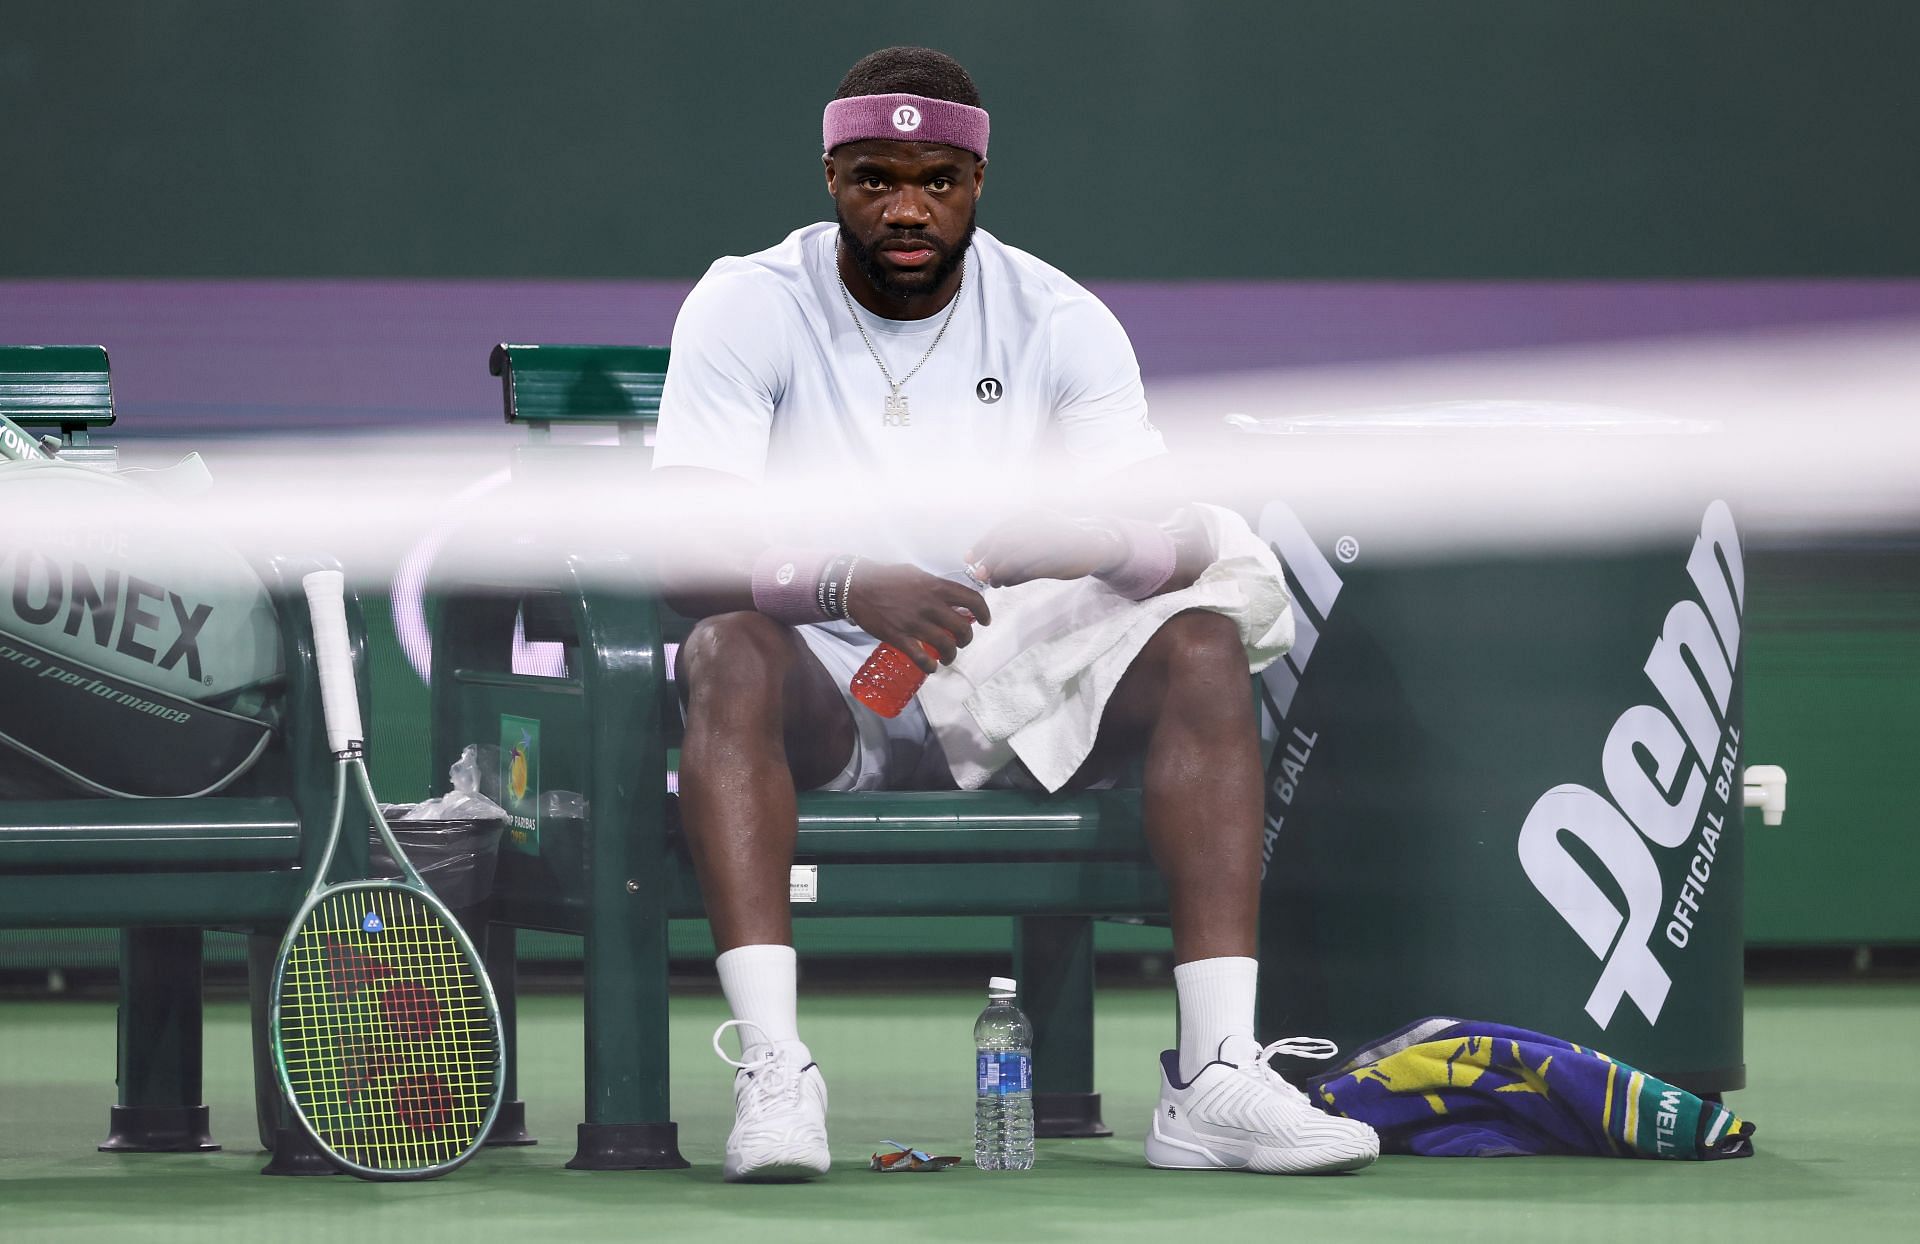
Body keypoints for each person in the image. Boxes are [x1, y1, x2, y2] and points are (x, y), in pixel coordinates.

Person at [651, 45, 1378, 1181]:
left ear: (978, 183)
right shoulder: (748, 304)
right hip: (820, 692)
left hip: (1010, 686)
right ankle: (777, 1071)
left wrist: (1098, 543)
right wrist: (846, 583)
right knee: (726, 648)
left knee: (1201, 642)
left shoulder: (1059, 319)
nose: (905, 206)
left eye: (936, 180)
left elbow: (1185, 538)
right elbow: (679, 554)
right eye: (874, 176)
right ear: (829, 173)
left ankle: (1216, 1074)